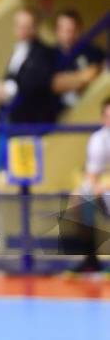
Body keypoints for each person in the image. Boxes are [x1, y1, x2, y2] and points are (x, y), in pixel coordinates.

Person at [0, 8, 59, 124]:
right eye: (18, 26)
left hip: (32, 120)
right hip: (12, 118)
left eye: (26, 26)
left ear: (34, 28)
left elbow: (36, 83)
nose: (21, 30)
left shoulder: (43, 53)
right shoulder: (18, 50)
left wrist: (10, 89)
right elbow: (9, 78)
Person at [60, 98, 110, 272]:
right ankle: (90, 259)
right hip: (105, 192)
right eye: (108, 116)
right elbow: (92, 176)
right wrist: (89, 189)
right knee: (81, 198)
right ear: (102, 118)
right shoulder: (99, 140)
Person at [52, 9, 105, 110]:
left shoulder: (92, 51)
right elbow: (53, 84)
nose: (68, 35)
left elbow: (101, 71)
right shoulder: (48, 55)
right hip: (59, 115)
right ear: (57, 31)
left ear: (79, 30)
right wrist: (82, 78)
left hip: (90, 108)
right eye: (63, 30)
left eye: (71, 30)